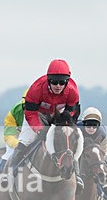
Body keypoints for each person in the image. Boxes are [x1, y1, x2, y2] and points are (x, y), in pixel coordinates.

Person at [8, 59, 83, 191]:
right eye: (54, 81)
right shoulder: (36, 89)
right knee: (25, 141)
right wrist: (39, 130)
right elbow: (30, 113)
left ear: (67, 81)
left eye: (62, 82)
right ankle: (10, 174)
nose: (58, 86)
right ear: (48, 80)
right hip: (37, 115)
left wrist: (64, 122)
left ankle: (77, 176)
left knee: (72, 141)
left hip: (59, 117)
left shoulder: (73, 91)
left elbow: (72, 112)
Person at [77, 107, 107, 200]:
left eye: (94, 126)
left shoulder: (102, 135)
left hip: (94, 160)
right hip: (76, 157)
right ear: (83, 124)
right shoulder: (77, 131)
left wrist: (98, 166)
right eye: (88, 125)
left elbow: (102, 153)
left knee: (105, 177)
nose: (92, 128)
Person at [0, 95, 27, 179]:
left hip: (32, 134)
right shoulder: (14, 112)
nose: (28, 109)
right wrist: (18, 145)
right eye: (25, 106)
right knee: (10, 153)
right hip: (16, 135)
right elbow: (9, 135)